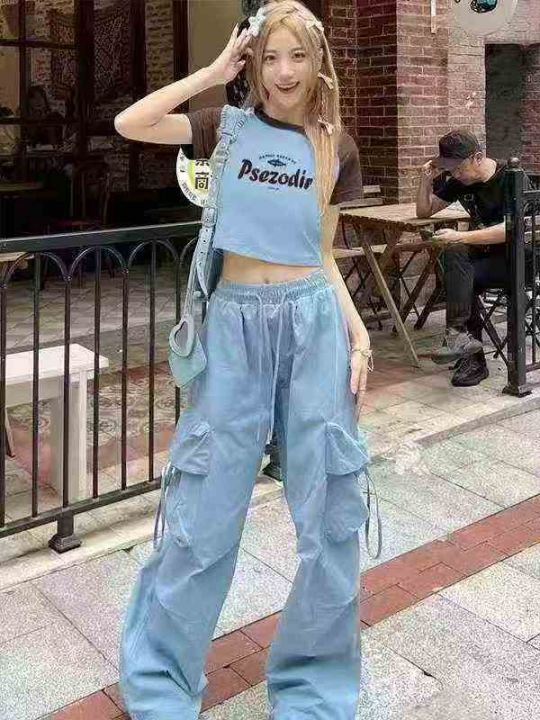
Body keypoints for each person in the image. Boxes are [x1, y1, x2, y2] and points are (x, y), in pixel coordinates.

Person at [114, 2, 377, 718]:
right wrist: (209, 73)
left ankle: (314, 684)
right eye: (269, 58)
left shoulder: (336, 146)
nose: (283, 72)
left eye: (297, 56)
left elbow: (323, 254)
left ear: (317, 62)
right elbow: (131, 123)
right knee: (204, 509)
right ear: (252, 65)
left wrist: (358, 335)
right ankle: (161, 680)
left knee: (331, 511)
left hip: (312, 324)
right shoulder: (223, 129)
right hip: (233, 327)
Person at [416, 129, 531, 387]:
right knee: (455, 257)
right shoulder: (460, 180)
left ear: (477, 157)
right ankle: (463, 342)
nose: (454, 175)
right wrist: (425, 179)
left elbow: (512, 229)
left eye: (458, 169)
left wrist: (461, 236)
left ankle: (467, 350)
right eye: (450, 170)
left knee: (459, 267)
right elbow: (424, 210)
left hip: (518, 259)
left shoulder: (512, 177)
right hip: (485, 258)